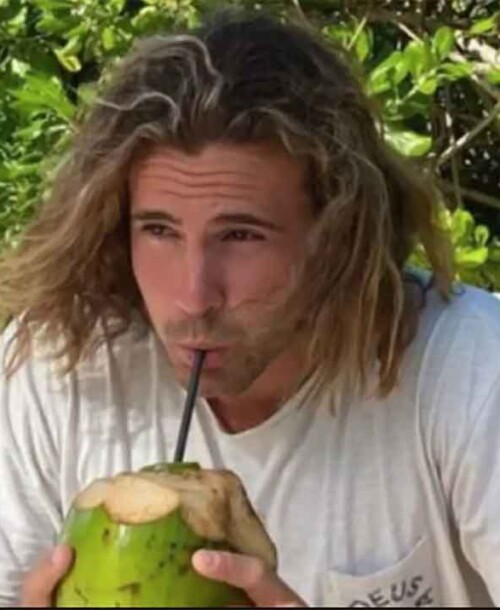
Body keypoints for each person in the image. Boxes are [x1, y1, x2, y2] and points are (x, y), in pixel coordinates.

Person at [1, 8, 500, 608]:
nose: (193, 297)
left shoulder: (469, 372)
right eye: (159, 230)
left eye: (241, 236)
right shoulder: (61, 368)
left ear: (338, 237)